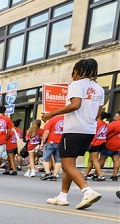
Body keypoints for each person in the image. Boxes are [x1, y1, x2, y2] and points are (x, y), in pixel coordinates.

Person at [42, 59, 105, 210]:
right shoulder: (99, 89)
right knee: (70, 164)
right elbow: (99, 112)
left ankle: (87, 191)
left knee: (67, 164)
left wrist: (51, 114)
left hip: (73, 130)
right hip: (89, 130)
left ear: (78, 71)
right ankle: (62, 196)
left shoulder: (76, 85)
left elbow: (75, 105)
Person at [83, 112, 110, 180]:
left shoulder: (95, 123)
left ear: (99, 116)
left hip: (95, 143)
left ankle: (101, 175)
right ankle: (85, 174)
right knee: (91, 159)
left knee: (94, 160)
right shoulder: (106, 124)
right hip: (102, 142)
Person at [39, 115, 64, 180]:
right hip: (61, 142)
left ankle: (48, 173)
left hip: (51, 141)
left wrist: (43, 142)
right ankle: (55, 175)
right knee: (58, 160)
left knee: (45, 159)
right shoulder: (67, 120)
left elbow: (46, 132)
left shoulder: (52, 120)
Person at [98, 111, 120, 181]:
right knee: (116, 160)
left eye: (116, 116)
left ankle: (98, 173)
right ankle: (115, 175)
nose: (114, 117)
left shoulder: (114, 123)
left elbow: (106, 131)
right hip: (118, 144)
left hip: (109, 144)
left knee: (102, 159)